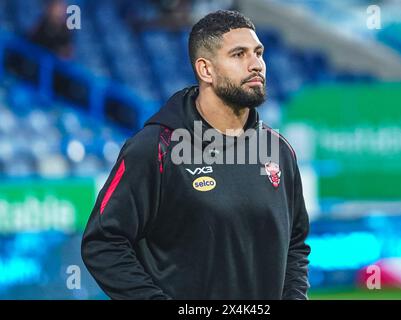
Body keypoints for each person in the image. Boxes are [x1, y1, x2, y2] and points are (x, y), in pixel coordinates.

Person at [81, 10, 311, 300]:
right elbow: (102, 242)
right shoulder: (156, 148)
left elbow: (295, 244)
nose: (256, 65)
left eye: (258, 52)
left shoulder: (278, 150)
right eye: (239, 54)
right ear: (206, 70)